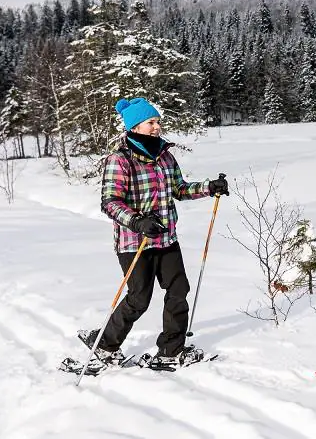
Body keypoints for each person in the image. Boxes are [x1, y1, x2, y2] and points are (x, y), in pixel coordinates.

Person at [79, 97, 230, 369]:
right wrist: (137, 222)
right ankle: (105, 345)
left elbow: (179, 190)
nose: (157, 127)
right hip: (134, 241)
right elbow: (109, 202)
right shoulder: (120, 159)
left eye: (158, 122)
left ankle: (171, 350)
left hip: (166, 239)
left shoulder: (165, 156)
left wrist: (210, 187)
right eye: (151, 122)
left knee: (178, 290)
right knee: (139, 299)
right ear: (135, 125)